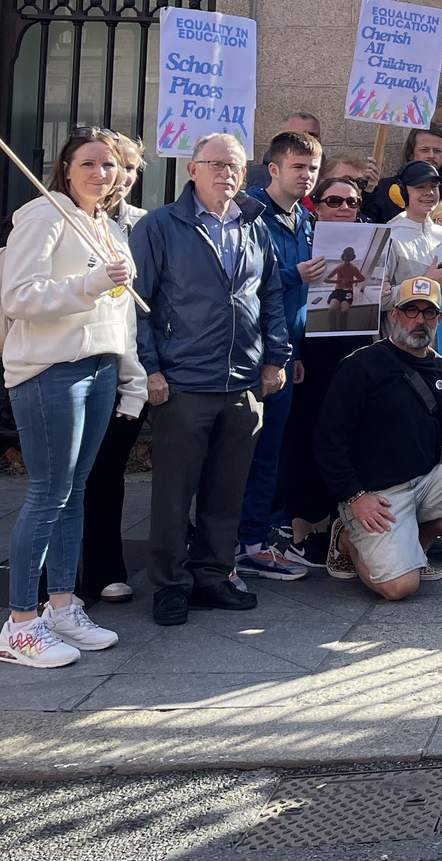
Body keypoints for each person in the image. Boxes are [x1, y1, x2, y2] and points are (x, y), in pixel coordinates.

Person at [0, 128, 144, 666]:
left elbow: (121, 312)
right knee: (48, 493)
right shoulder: (44, 215)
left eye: (109, 165)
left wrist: (131, 380)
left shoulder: (107, 225)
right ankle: (19, 625)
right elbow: (18, 296)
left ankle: (61, 606)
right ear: (66, 167)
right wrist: (91, 282)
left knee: (74, 491)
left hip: (99, 366)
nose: (101, 173)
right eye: (89, 163)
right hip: (50, 369)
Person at [130, 133, 291, 627]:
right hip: (183, 382)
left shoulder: (253, 225)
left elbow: (270, 296)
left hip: (243, 383)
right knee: (173, 494)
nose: (227, 173)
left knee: (226, 492)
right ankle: (170, 584)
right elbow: (138, 304)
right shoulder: (160, 225)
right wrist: (150, 368)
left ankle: (213, 576)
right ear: (192, 170)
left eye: (235, 166)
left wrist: (276, 358)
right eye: (216, 164)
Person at [318, 277, 442, 598]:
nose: (420, 320)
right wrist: (355, 496)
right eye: (411, 310)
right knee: (399, 588)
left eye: (428, 312)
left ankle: (419, 536)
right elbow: (327, 440)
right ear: (394, 315)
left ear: (438, 319)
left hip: (429, 482)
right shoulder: (360, 366)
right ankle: (347, 541)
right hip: (376, 494)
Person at [272, 175, 374, 572]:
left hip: (355, 349)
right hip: (309, 352)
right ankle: (302, 529)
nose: (344, 208)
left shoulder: (372, 238)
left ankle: (337, 525)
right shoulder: (303, 237)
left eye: (352, 202)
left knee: (348, 435)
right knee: (306, 434)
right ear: (317, 205)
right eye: (334, 201)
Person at [236, 129, 325, 582]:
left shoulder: (304, 218)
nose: (307, 175)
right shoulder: (248, 214)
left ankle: (253, 542)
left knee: (269, 451)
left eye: (312, 168)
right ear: (273, 169)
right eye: (298, 167)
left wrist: (296, 351)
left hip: (285, 353)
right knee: (242, 453)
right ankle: (235, 543)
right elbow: (246, 282)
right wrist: (295, 274)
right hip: (251, 353)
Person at [75, 132, 149, 604]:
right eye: (107, 165)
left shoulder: (143, 225)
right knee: (64, 482)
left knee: (107, 473)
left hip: (128, 371)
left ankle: (104, 569)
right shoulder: (64, 218)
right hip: (75, 364)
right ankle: (55, 583)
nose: (118, 176)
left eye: (128, 168)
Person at [385, 160, 442, 288]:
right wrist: (425, 283)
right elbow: (379, 296)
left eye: (434, 186)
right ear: (401, 192)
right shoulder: (389, 237)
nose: (429, 192)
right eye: (420, 187)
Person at [368, 126, 442, 219]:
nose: (431, 155)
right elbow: (366, 224)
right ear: (410, 154)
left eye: (437, 151)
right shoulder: (384, 189)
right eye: (424, 150)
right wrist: (369, 189)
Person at [243, 112, 325, 191]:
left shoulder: (328, 172)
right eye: (298, 135)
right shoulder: (256, 175)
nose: (307, 140)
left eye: (313, 135)